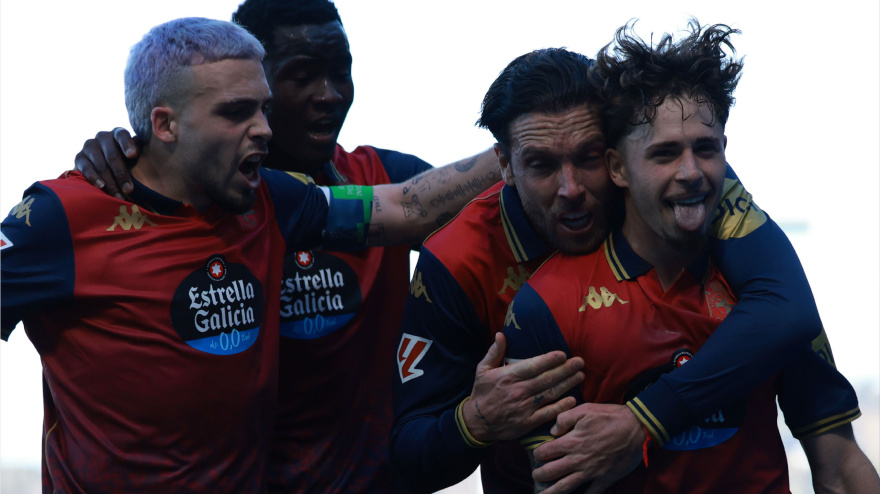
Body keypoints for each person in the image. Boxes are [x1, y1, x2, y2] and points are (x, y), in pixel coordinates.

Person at [70, 1, 584, 492]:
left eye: (342, 72)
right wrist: (138, 156)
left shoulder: (380, 178)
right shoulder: (171, 206)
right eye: (302, 76)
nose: (330, 94)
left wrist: (541, 136)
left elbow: (437, 207)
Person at [390, 45, 838, 493]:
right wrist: (475, 421)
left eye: (588, 158)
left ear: (616, 157)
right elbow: (407, 458)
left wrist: (644, 421)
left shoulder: (686, 186)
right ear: (505, 165)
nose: (571, 189)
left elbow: (788, 309)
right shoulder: (458, 260)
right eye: (541, 165)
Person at [503, 20, 878, 493]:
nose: (691, 172)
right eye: (664, 154)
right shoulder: (546, 306)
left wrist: (644, 422)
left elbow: (839, 467)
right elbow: (555, 480)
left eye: (706, 149)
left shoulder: (768, 297)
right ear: (618, 168)